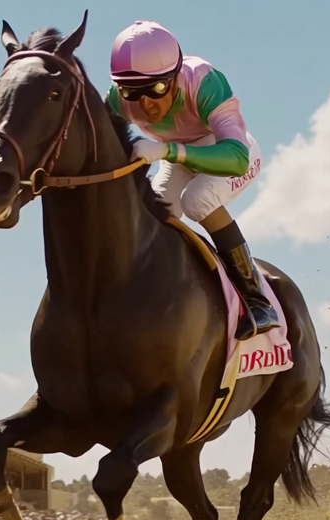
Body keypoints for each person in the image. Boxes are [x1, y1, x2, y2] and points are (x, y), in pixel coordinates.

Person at [107, 20, 275, 341]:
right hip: (174, 156)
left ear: (176, 75)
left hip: (224, 151)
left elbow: (237, 158)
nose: (145, 105)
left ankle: (257, 300)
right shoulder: (116, 99)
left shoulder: (204, 81)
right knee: (155, 215)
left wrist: (168, 149)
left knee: (197, 199)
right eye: (132, 92)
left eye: (156, 89)